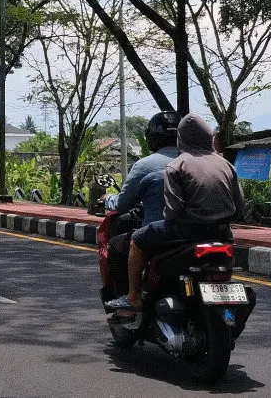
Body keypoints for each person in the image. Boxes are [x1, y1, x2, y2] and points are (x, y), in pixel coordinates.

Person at [105, 113, 245, 325]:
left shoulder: (178, 164)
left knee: (137, 241)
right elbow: (239, 207)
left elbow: (173, 209)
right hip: (222, 232)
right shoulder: (226, 165)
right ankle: (227, 308)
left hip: (184, 231)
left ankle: (133, 297)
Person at [101, 112, 180, 282]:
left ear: (152, 138)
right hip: (206, 231)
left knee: (116, 247)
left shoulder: (145, 165)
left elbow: (123, 204)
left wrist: (107, 198)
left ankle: (132, 298)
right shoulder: (198, 162)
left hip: (161, 232)